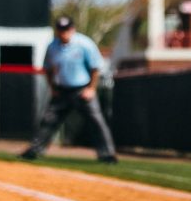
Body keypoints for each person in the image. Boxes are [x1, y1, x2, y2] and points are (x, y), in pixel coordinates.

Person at [20, 15, 118, 162]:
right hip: (62, 90)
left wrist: (91, 89)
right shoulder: (53, 46)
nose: (63, 33)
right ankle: (34, 150)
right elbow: (47, 68)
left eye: (66, 29)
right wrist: (52, 87)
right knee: (48, 121)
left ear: (72, 29)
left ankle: (107, 154)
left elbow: (95, 68)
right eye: (60, 30)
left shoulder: (84, 43)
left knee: (96, 121)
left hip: (82, 89)